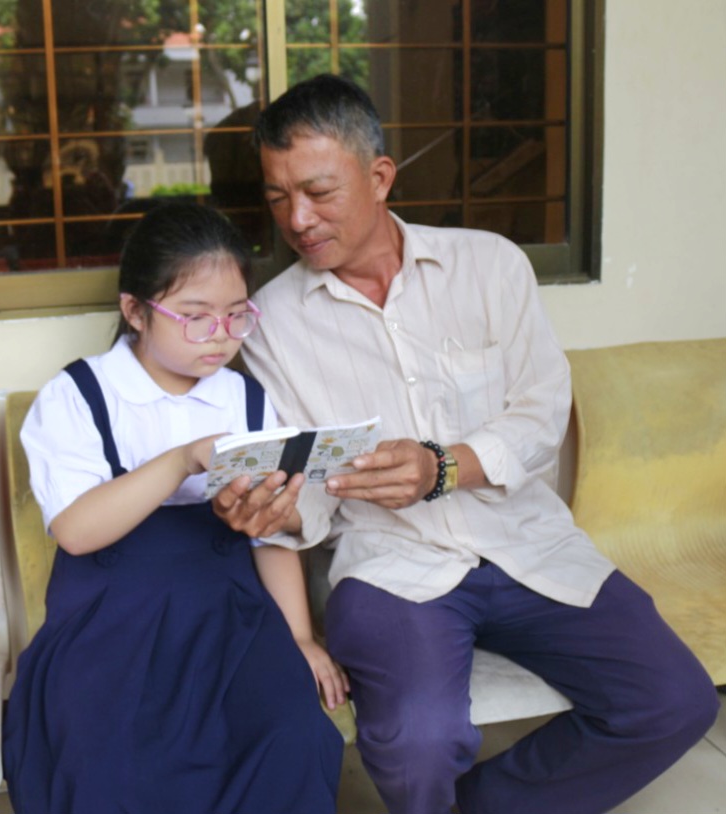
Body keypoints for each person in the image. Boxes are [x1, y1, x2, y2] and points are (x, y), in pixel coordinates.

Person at [217, 74, 720, 814]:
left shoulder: (489, 266)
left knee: (674, 701)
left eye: (319, 192)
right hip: (390, 566)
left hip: (528, 544)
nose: (297, 218)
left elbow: (541, 412)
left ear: (379, 177)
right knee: (417, 743)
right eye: (276, 197)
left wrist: (444, 467)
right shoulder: (272, 326)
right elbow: (313, 490)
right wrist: (276, 509)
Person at [2, 202, 347, 814]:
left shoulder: (245, 397)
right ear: (135, 311)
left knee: (290, 737)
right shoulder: (80, 395)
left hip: (231, 611)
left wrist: (299, 635)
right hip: (109, 617)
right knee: (110, 760)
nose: (220, 334)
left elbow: (266, 532)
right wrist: (181, 461)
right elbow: (76, 531)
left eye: (236, 314)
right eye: (194, 317)